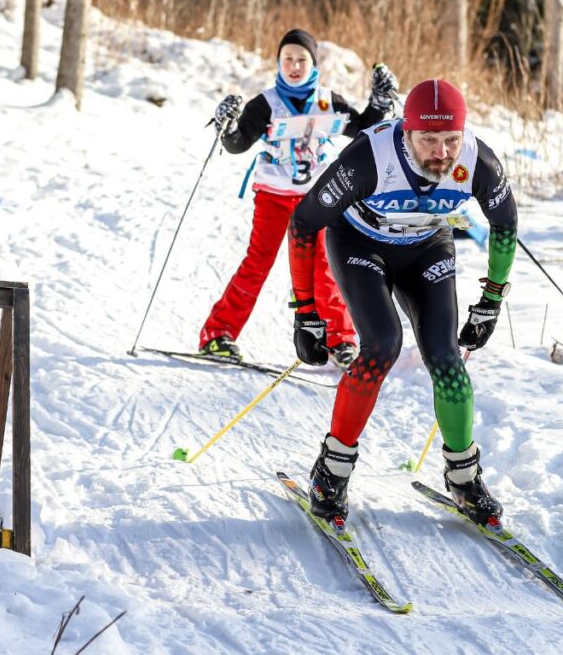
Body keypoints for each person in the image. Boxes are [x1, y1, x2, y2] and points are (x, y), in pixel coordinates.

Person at [287, 78, 518, 525]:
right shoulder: (368, 159)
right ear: (405, 131)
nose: (441, 152)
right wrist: (305, 312)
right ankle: (331, 472)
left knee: (447, 357)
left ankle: (464, 477)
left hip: (427, 245)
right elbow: (302, 224)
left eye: (450, 139)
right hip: (360, 243)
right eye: (428, 139)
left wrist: (491, 300)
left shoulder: (476, 160)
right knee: (383, 345)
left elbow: (506, 224)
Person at [198, 28, 398, 368]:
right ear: (278, 62)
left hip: (316, 200)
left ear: (313, 63)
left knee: (323, 265)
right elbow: (237, 144)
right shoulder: (266, 103)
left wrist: (379, 103)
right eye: (287, 58)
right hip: (273, 196)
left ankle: (341, 339)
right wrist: (227, 125)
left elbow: (365, 128)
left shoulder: (327, 100)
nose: (294, 65)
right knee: (258, 263)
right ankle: (218, 334)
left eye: (301, 59)